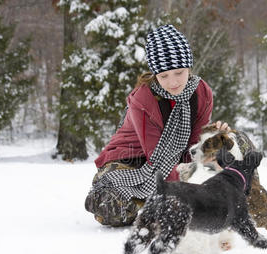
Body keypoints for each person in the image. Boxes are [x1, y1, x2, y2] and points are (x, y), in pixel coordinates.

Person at [85, 24, 229, 226]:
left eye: (179, 72)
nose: (173, 82)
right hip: (131, 160)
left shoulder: (202, 92)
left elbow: (194, 148)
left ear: (188, 66)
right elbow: (159, 160)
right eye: (164, 76)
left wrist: (213, 139)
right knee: (112, 208)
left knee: (226, 157)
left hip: (177, 159)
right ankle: (148, 204)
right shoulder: (143, 100)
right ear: (155, 75)